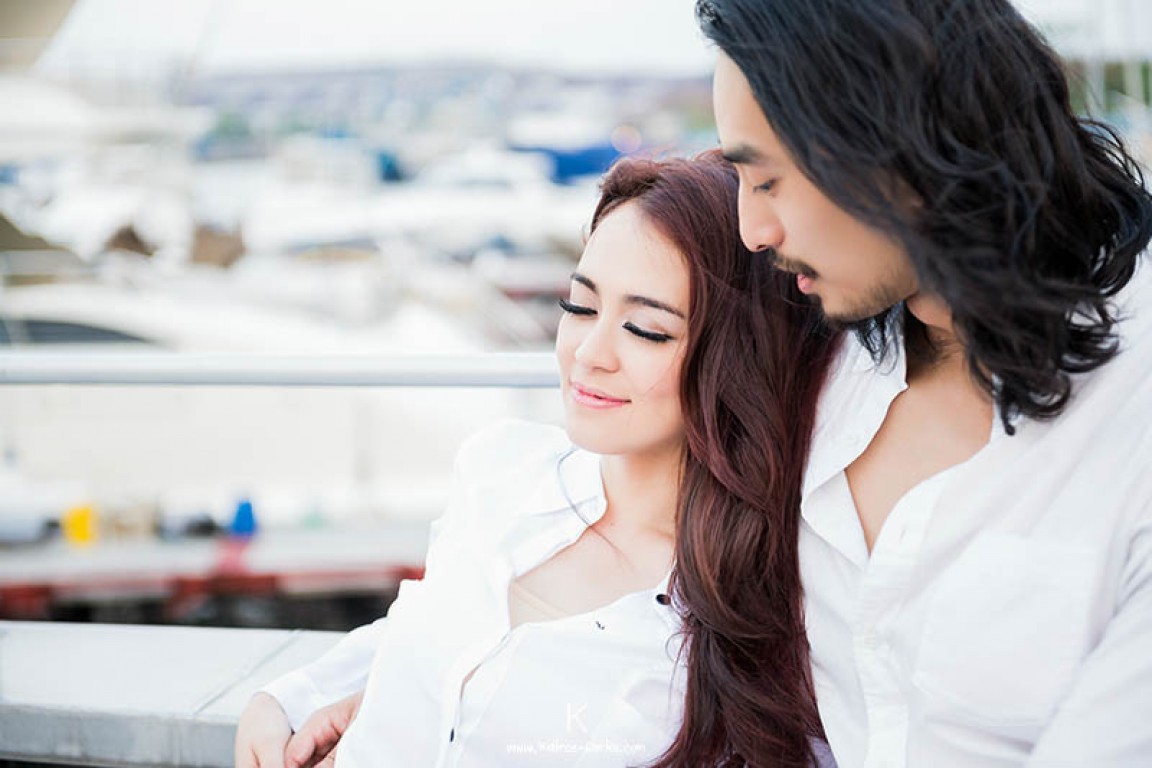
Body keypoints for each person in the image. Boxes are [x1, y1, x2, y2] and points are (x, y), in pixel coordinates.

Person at [233, 150, 840, 767]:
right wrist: (290, 697)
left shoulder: (764, 600)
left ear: (738, 356)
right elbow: (437, 620)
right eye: (580, 306)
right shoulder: (503, 466)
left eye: (646, 329)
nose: (590, 352)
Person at [685, 0, 1152, 765]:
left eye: (767, 181)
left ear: (901, 144)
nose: (753, 233)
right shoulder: (826, 343)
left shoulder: (1131, 421)